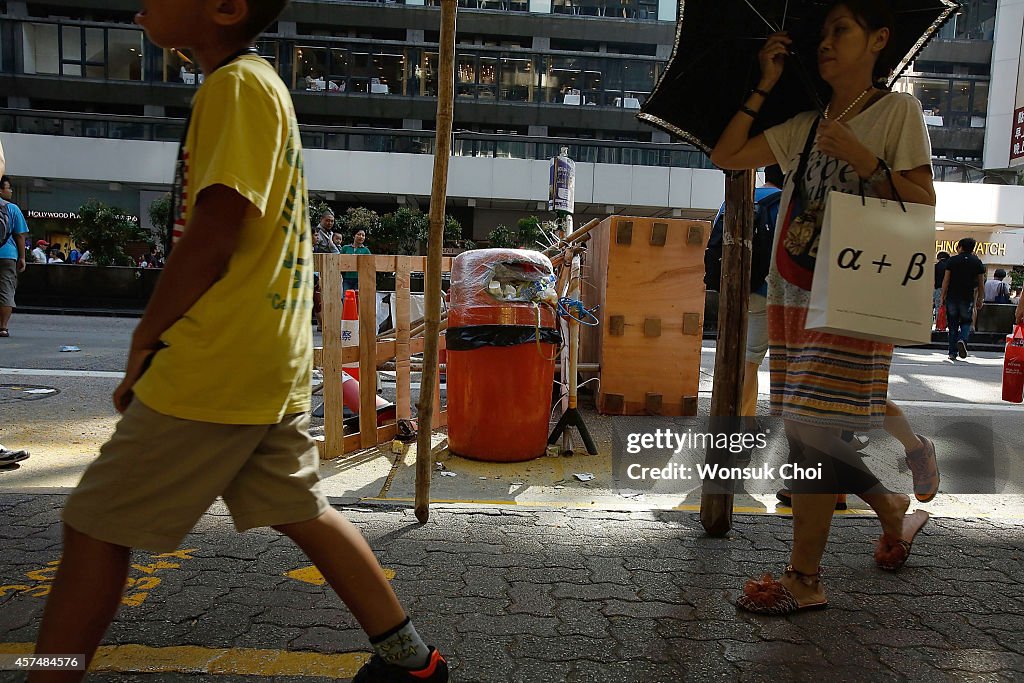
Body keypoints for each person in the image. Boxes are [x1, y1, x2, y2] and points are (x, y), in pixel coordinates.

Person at [31, 2, 448, 682]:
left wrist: (146, 334)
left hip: (214, 363)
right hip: (260, 360)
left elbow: (217, 227)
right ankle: (414, 664)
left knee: (95, 522)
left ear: (223, 7)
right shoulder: (259, 85)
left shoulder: (234, 87)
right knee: (303, 508)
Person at [710, 0, 938, 615]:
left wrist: (864, 158)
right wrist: (764, 85)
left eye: (843, 31)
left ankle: (805, 578)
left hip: (856, 293)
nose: (827, 43)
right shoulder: (806, 125)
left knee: (811, 429)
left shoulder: (898, 112)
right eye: (825, 34)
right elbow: (728, 155)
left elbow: (921, 202)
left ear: (879, 40)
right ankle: (891, 509)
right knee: (807, 425)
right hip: (794, 291)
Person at [940, 237, 985, 361]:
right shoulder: (977, 262)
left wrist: (942, 296)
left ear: (960, 247)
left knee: (953, 325)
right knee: (966, 322)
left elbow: (946, 280)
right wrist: (980, 298)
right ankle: (962, 340)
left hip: (952, 297)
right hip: (967, 297)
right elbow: (981, 283)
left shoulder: (952, 261)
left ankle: (952, 352)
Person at [1, 173, 30, 339]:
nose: (11, 191)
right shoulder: (12, 209)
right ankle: (3, 327)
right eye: (8, 188)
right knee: (5, 290)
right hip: (7, 255)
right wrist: (22, 257)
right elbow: (20, 235)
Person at [340, 228, 372, 296]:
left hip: (360, 279)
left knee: (358, 298)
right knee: (346, 298)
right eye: (359, 234)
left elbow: (370, 264)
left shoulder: (366, 250)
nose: (361, 237)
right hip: (347, 278)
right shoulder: (345, 248)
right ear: (354, 236)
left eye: (363, 235)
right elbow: (339, 261)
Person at [933, 250, 949, 328]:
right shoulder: (949, 266)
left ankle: (938, 325)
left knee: (938, 307)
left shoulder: (936, 266)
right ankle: (946, 324)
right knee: (948, 308)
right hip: (949, 290)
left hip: (938, 288)